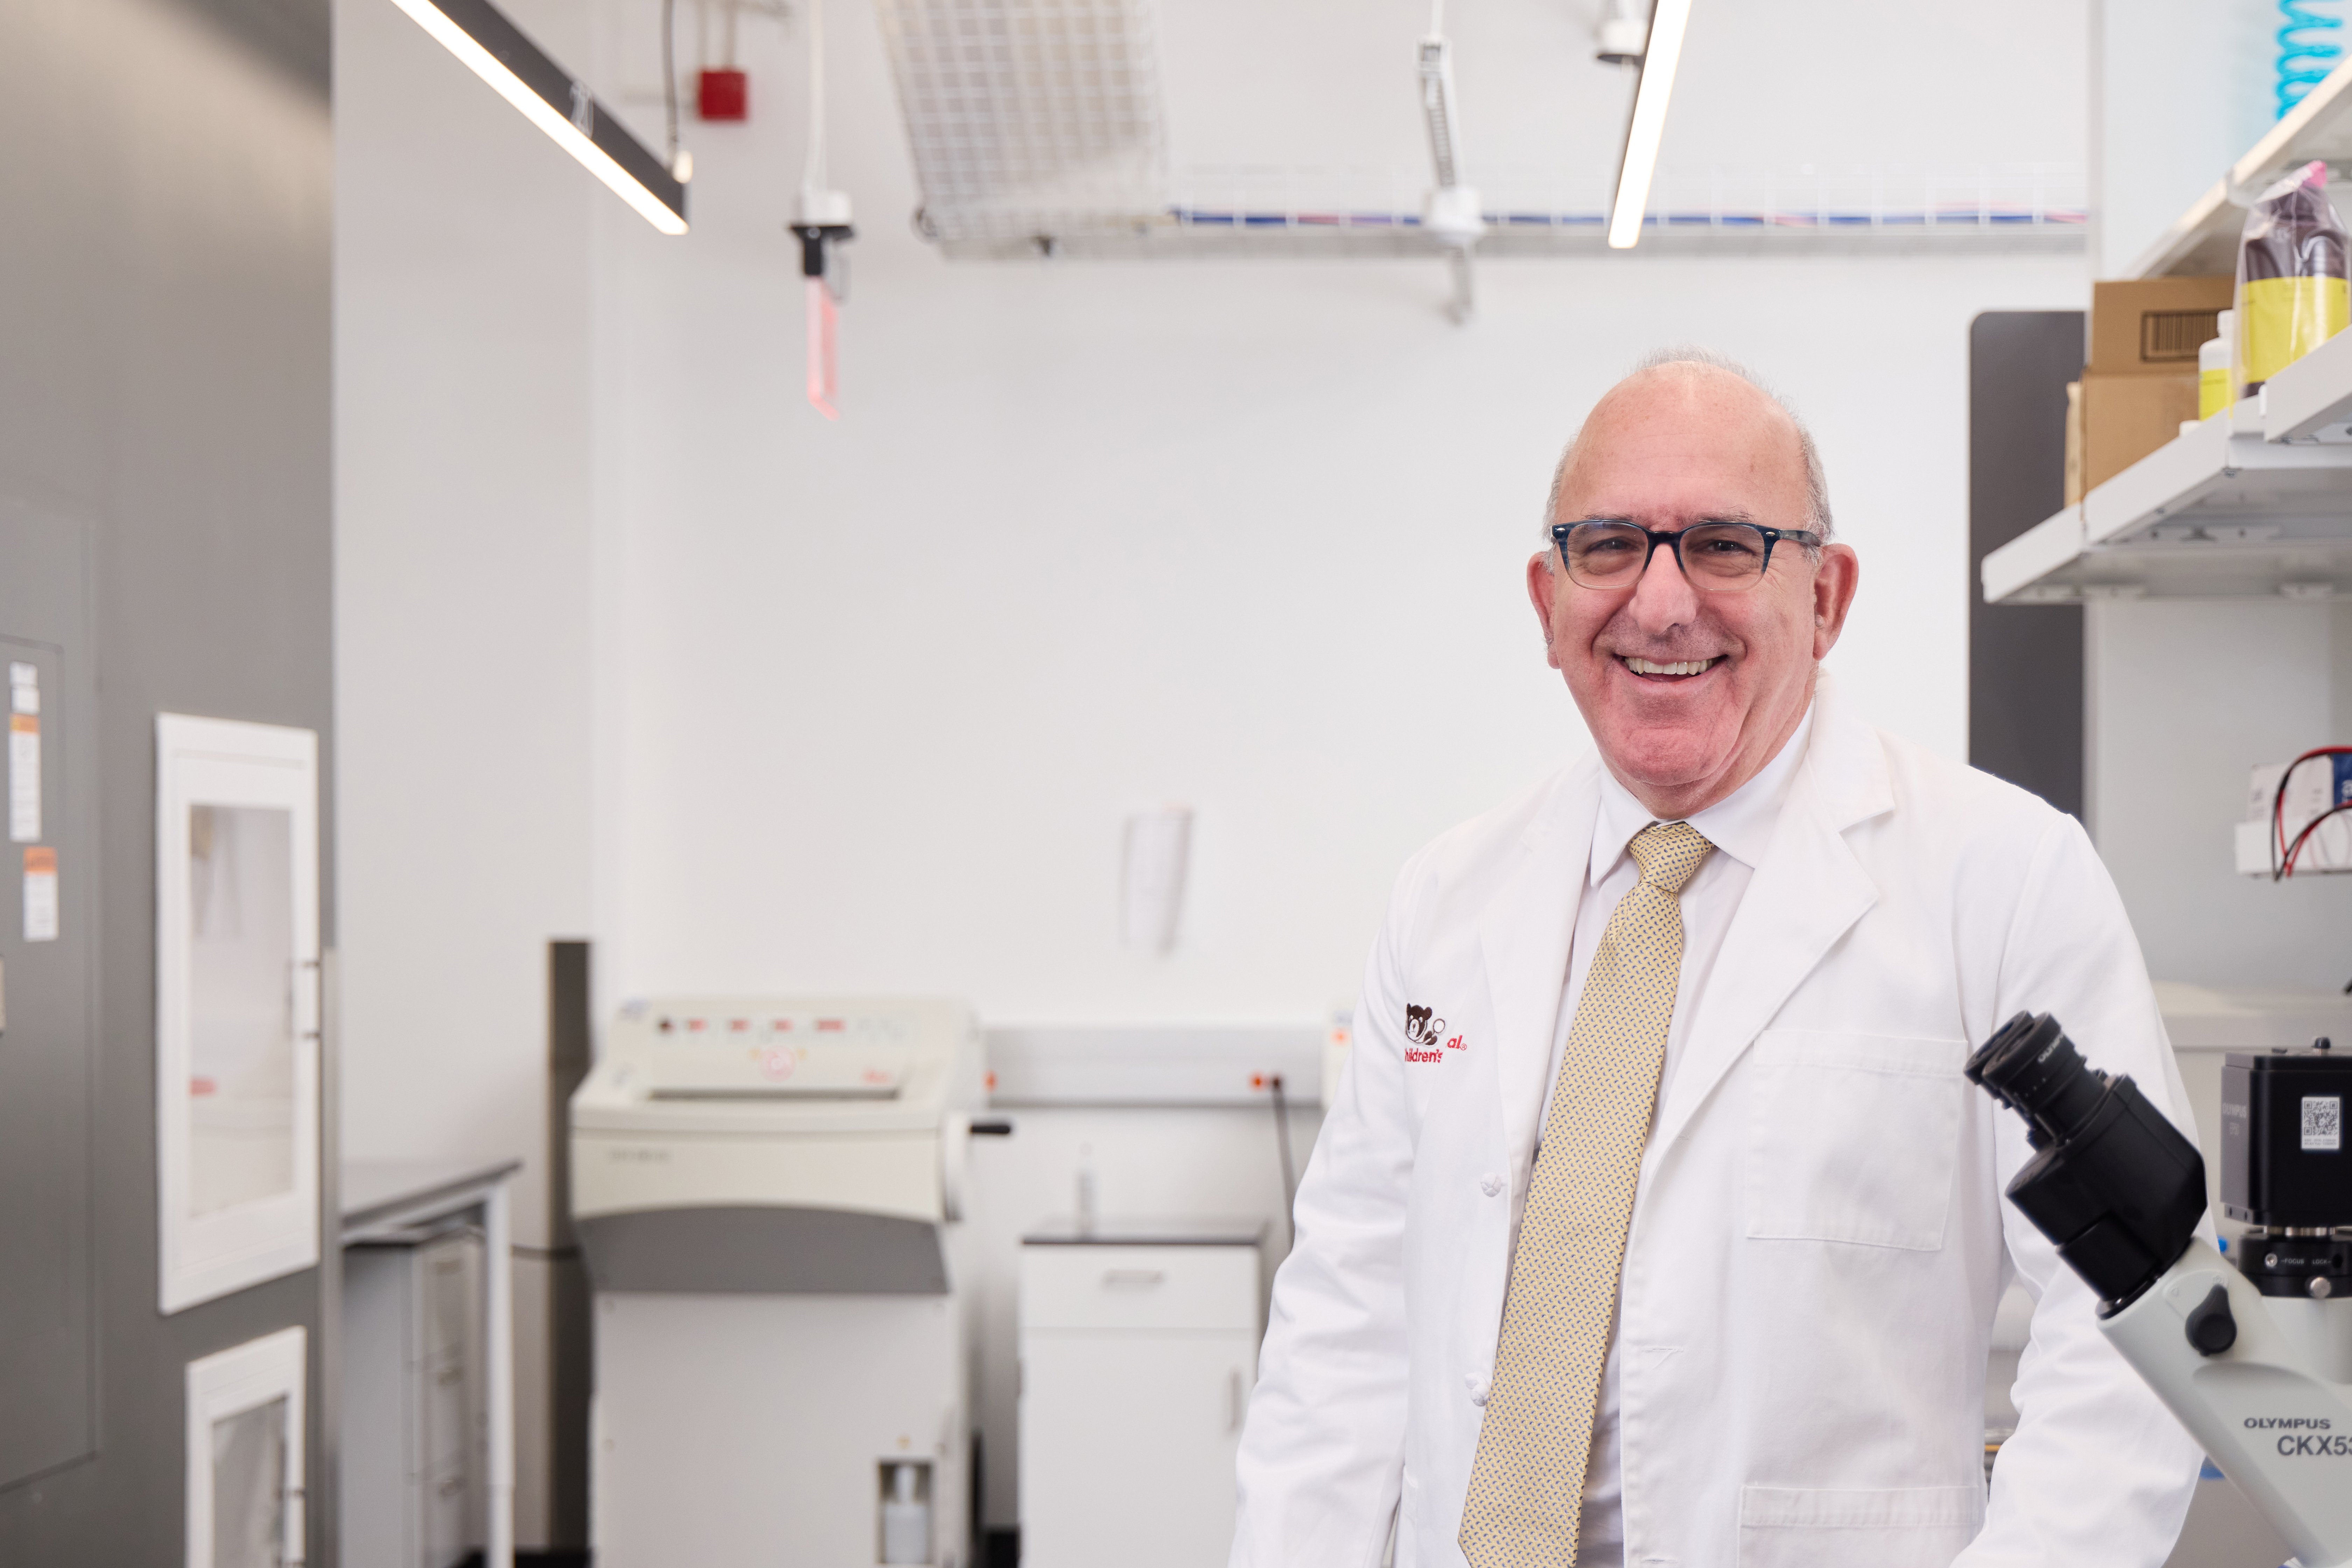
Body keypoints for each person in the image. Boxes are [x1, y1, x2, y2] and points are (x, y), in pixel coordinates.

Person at [1231, 350, 2203, 1568]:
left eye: (1724, 546)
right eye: (1608, 546)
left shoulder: (2003, 879)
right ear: (1546, 602)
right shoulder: (1445, 901)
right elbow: (1346, 1321)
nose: (1658, 604)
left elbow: (2138, 1329)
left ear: (1827, 598)